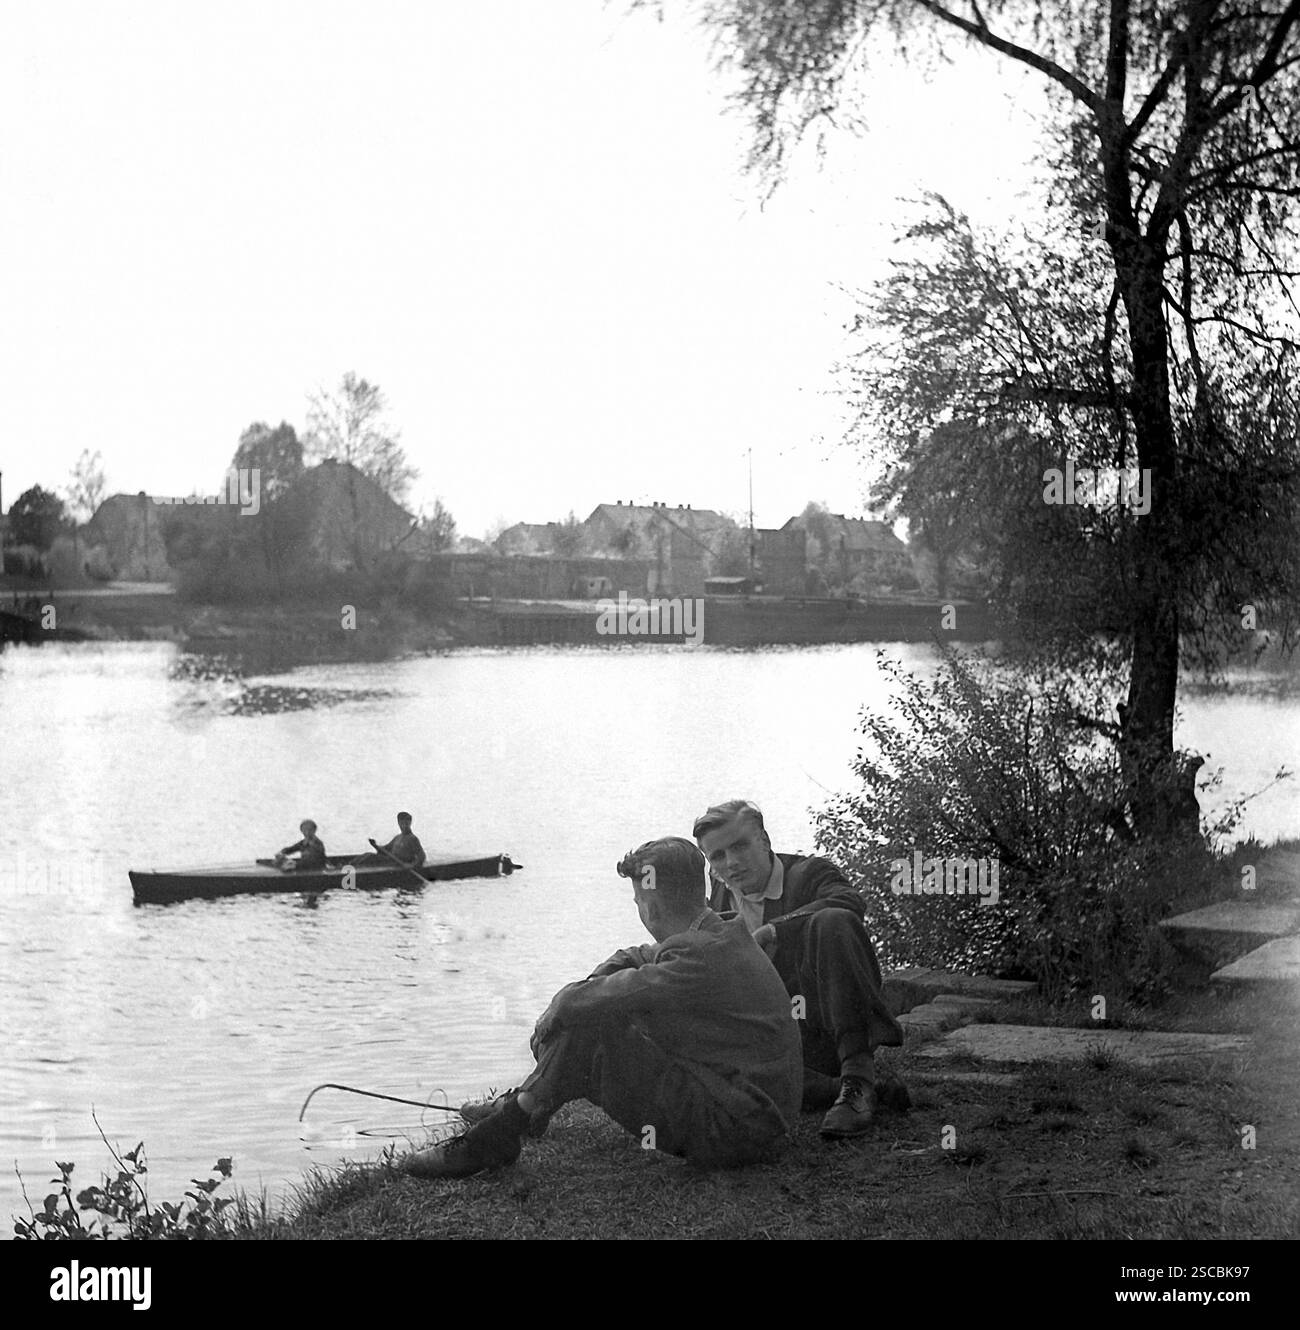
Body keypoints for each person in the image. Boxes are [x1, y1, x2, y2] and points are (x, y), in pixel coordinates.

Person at [401, 836, 803, 1180]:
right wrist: (590, 989)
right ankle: (522, 1110)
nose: (640, 911)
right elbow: (636, 955)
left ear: (652, 907)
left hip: (738, 1132)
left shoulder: (696, 958)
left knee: (594, 1022)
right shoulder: (720, 932)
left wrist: (559, 1007)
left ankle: (499, 1133)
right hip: (755, 1115)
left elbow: (582, 1005)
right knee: (596, 1011)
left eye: (637, 901)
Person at [692, 799, 906, 1140]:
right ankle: (840, 1089)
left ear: (763, 840)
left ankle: (858, 1081)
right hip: (770, 1042)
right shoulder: (717, 897)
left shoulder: (810, 873)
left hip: (824, 1029)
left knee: (834, 921)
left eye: (740, 846)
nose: (730, 863)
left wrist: (776, 929)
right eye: (717, 856)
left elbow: (850, 901)